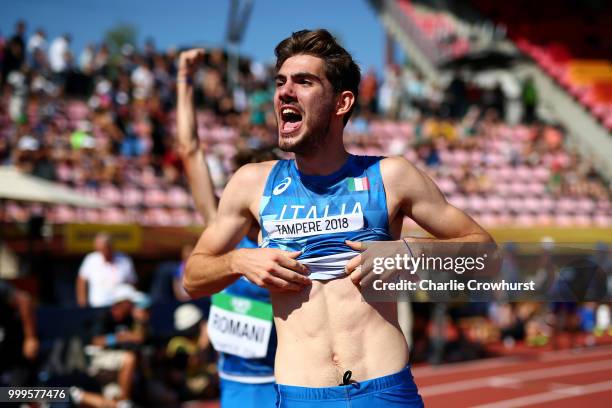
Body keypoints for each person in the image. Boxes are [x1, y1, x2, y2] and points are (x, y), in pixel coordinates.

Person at [184, 29, 494, 407]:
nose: (284, 92)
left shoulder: (391, 176)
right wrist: (237, 260)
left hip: (383, 391)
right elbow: (193, 278)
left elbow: (485, 252)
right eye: (281, 81)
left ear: (341, 102)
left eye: (304, 81)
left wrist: (408, 251)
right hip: (301, 396)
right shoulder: (251, 183)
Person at [176, 50, 277, 407]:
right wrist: (184, 81)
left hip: (282, 381)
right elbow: (189, 150)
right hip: (233, 382)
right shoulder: (220, 228)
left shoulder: (287, 236)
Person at [76, 232, 137, 308]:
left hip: (118, 309)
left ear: (111, 247)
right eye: (100, 250)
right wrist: (82, 302)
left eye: (105, 249)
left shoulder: (124, 260)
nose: (103, 253)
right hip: (98, 305)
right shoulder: (91, 260)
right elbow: (81, 281)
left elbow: (132, 283)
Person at [0, 279, 39, 386]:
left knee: (14, 393)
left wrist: (30, 337)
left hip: (14, 348)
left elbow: (24, 301)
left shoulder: (2, 289)